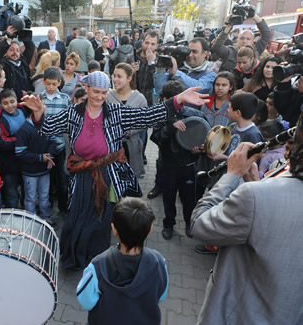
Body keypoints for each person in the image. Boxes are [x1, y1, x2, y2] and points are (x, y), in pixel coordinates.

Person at [22, 71, 209, 270]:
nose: (100, 97)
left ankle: (98, 259)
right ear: (86, 88)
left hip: (109, 174)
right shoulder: (73, 113)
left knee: (103, 219)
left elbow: (147, 116)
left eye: (104, 92)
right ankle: (75, 257)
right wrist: (39, 113)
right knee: (77, 216)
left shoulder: (116, 112)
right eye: (95, 91)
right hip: (81, 174)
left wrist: (178, 100)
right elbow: (47, 128)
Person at [190, 112, 303, 323]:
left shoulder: (255, 196)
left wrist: (231, 175)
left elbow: (199, 224)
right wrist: (256, 182)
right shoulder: (260, 193)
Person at [76, 197, 168, 325]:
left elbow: (86, 300)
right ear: (150, 229)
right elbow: (161, 295)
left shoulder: (97, 266)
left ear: (114, 229)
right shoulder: (159, 262)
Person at [150, 81, 200, 240]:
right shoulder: (160, 116)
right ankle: (168, 224)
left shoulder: (192, 114)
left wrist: (198, 150)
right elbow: (157, 137)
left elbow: (200, 137)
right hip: (168, 165)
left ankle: (188, 223)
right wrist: (171, 127)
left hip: (188, 165)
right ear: (165, 99)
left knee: (188, 198)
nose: (180, 104)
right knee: (168, 197)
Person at [15, 106, 56, 225]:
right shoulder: (24, 129)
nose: (44, 107)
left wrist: (50, 156)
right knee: (30, 198)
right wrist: (40, 157)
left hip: (44, 170)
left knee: (44, 196)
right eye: (41, 106)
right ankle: (31, 222)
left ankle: (46, 218)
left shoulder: (47, 124)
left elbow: (53, 141)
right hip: (30, 172)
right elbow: (20, 152)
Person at [39, 67, 71, 216]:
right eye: (48, 84)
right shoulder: (38, 99)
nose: (51, 87)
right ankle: (48, 207)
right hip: (44, 148)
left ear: (59, 83)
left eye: (54, 84)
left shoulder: (65, 99)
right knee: (47, 182)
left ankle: (63, 208)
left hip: (61, 147)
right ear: (44, 82)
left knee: (63, 180)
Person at [106, 63, 147, 178]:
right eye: (114, 76)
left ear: (129, 78)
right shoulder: (108, 96)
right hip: (112, 147)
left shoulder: (139, 98)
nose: (115, 79)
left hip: (132, 146)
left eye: (119, 76)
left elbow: (144, 122)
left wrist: (130, 131)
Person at [0, 89, 27, 208]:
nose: (10, 106)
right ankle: (12, 216)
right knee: (11, 192)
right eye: (5, 103)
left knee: (27, 189)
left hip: (25, 160)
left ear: (17, 100)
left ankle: (26, 212)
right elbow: (0, 142)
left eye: (12, 101)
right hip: (8, 163)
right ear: (1, 104)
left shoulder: (23, 110)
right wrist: (21, 141)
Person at [0, 34, 35, 102]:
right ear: (5, 53)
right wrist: (9, 38)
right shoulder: (3, 64)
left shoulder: (24, 62)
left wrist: (22, 31)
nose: (15, 52)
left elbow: (30, 47)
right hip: (11, 103)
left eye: (17, 50)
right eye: (11, 50)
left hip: (27, 102)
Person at [134, 30, 159, 105]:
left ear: (157, 46)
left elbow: (156, 83)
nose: (149, 47)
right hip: (132, 100)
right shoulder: (132, 57)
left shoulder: (159, 61)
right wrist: (132, 71)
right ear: (142, 43)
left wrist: (151, 63)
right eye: (147, 43)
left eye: (152, 44)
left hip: (149, 101)